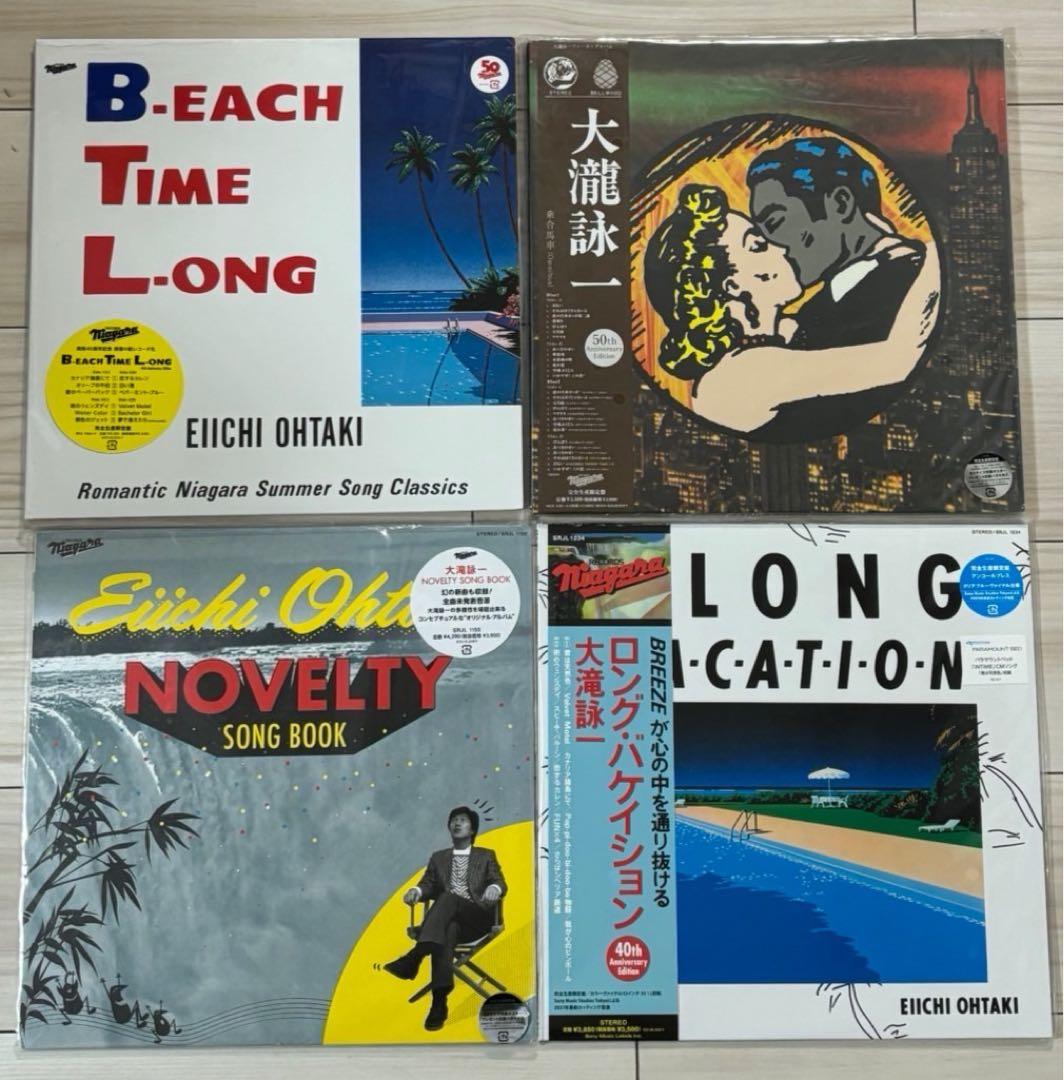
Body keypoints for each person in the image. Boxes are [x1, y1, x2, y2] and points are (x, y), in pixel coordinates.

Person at [643, 171, 939, 441]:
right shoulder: (737, 375)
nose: (781, 246)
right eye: (757, 245)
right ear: (732, 286)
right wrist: (937, 253)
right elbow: (895, 361)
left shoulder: (785, 332)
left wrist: (880, 246)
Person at [382, 806, 505, 1031]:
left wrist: (494, 888)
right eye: (453, 820)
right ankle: (439, 1003)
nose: (457, 823)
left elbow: (498, 881)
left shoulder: (485, 855)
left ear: (473, 829)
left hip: (477, 917)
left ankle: (415, 956)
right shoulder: (439, 858)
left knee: (448, 897)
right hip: (446, 923)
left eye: (463, 820)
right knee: (447, 932)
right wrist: (416, 892)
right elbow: (427, 884)